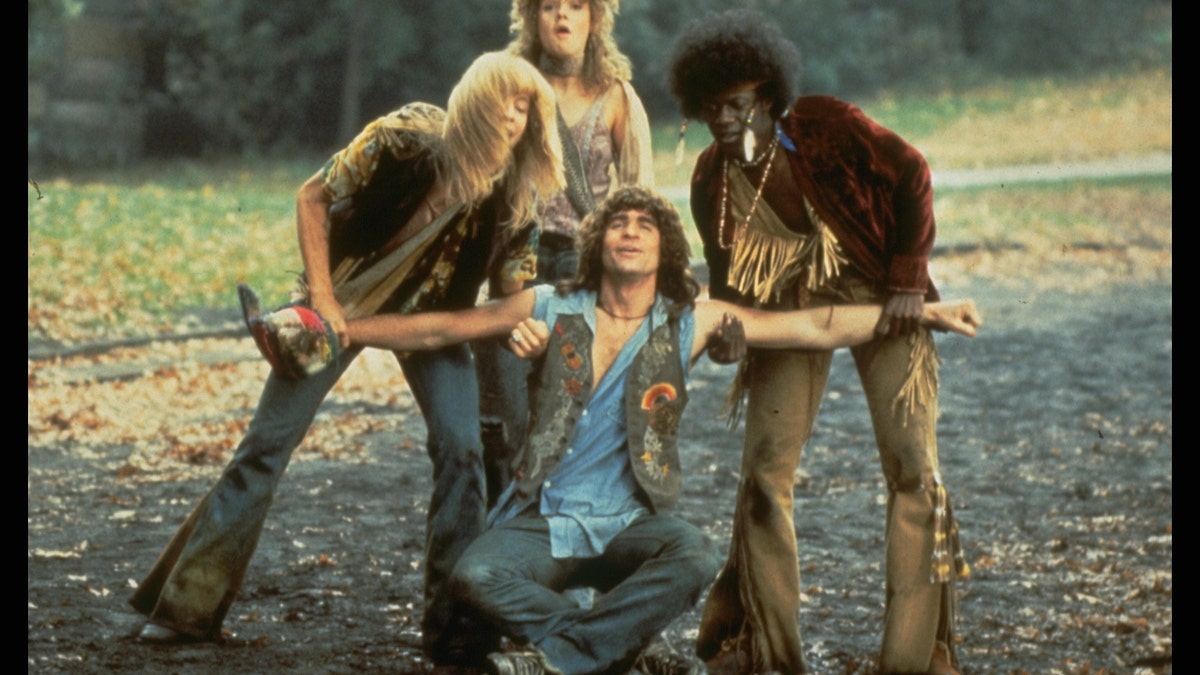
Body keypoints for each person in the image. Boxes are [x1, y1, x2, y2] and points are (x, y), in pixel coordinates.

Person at [324, 186, 981, 675]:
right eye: (618, 223)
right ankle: (597, 651)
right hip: (544, 518)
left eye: (645, 224)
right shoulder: (549, 307)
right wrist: (346, 329)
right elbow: (443, 326)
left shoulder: (688, 320)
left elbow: (815, 327)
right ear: (597, 241)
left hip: (630, 525)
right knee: (475, 573)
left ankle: (558, 656)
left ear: (664, 246)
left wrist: (925, 310)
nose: (631, 232)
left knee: (693, 552)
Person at [127, 51, 565, 664]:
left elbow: (508, 305)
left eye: (525, 107)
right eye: (502, 102)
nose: (513, 118)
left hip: (429, 327)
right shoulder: (407, 139)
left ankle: (457, 629)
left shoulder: (518, 200)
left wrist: (524, 329)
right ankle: (184, 609)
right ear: (471, 103)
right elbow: (312, 196)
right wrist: (325, 302)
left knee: (463, 450)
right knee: (265, 446)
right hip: (343, 297)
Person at [667, 10, 968, 674]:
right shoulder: (710, 179)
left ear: (767, 96)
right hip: (790, 313)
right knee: (764, 474)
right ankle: (766, 651)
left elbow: (912, 171)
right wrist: (730, 339)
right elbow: (728, 284)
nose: (723, 118)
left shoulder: (826, 125)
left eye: (737, 104)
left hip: (886, 296)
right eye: (711, 106)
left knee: (915, 469)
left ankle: (922, 656)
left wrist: (908, 277)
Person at [474, 0, 656, 507]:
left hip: (586, 272)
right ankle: (503, 547)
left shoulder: (617, 97)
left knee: (577, 419)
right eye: (549, 6)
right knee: (506, 422)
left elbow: (641, 198)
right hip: (516, 269)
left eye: (576, 6)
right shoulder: (512, 90)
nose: (562, 17)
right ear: (531, 17)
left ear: (594, 18)